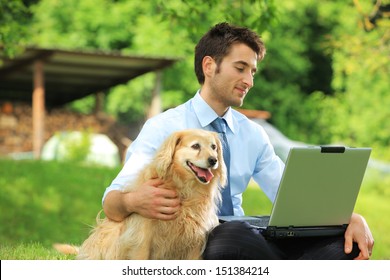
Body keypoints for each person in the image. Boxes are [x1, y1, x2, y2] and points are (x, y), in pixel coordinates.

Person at [102, 22, 374, 260]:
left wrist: (350, 218)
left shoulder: (253, 133)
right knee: (228, 237)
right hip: (208, 238)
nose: (249, 81)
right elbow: (111, 202)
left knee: (343, 246)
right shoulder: (165, 128)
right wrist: (132, 201)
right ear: (210, 66)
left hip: (249, 239)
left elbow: (289, 194)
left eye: (253, 72)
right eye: (241, 68)